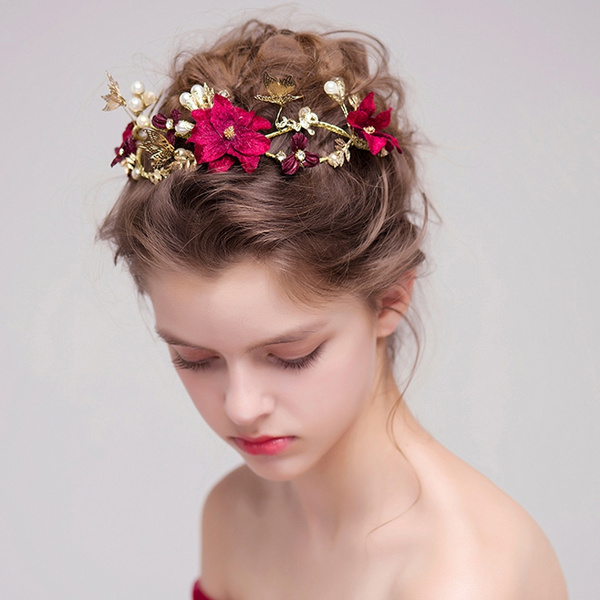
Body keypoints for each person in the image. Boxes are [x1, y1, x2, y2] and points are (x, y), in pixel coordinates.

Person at [98, 20, 568, 600]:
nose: (241, 407)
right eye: (194, 359)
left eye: (290, 355)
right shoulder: (233, 515)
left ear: (390, 298)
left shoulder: (463, 577)